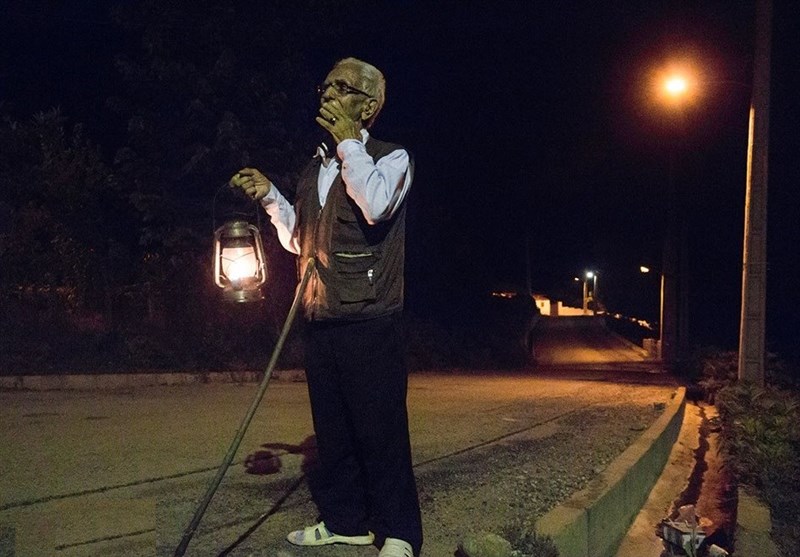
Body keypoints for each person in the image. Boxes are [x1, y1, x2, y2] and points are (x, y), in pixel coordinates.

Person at [230, 57, 421, 557]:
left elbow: (376, 206)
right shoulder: (315, 167)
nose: (329, 94)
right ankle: (345, 522)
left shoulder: (390, 158)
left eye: (343, 88)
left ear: (370, 106)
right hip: (321, 317)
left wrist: (350, 144)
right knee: (333, 432)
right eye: (326, 86)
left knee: (380, 432)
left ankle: (400, 533)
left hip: (370, 319)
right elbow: (301, 239)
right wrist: (271, 196)